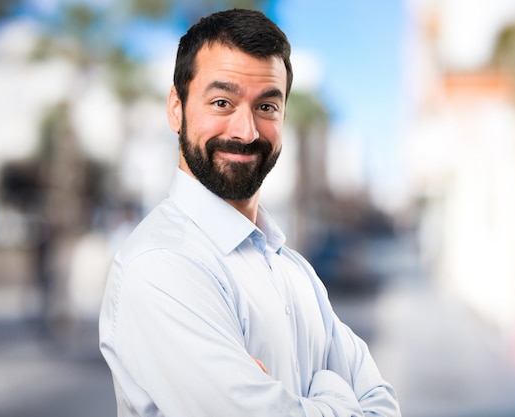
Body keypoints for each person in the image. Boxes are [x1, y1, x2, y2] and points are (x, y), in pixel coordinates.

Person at [99, 8, 402, 417]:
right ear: (177, 108)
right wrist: (336, 393)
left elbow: (385, 407)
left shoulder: (296, 272)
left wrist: (300, 404)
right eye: (222, 102)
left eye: (266, 107)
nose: (246, 131)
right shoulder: (161, 266)